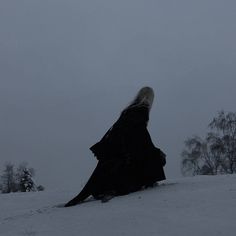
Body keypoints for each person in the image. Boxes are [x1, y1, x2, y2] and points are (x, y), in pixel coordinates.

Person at [64, 86, 166, 207]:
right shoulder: (141, 110)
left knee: (103, 175)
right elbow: (142, 136)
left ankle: (106, 188)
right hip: (121, 149)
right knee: (154, 157)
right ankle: (124, 186)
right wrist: (155, 151)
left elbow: (135, 134)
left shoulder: (130, 109)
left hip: (114, 147)